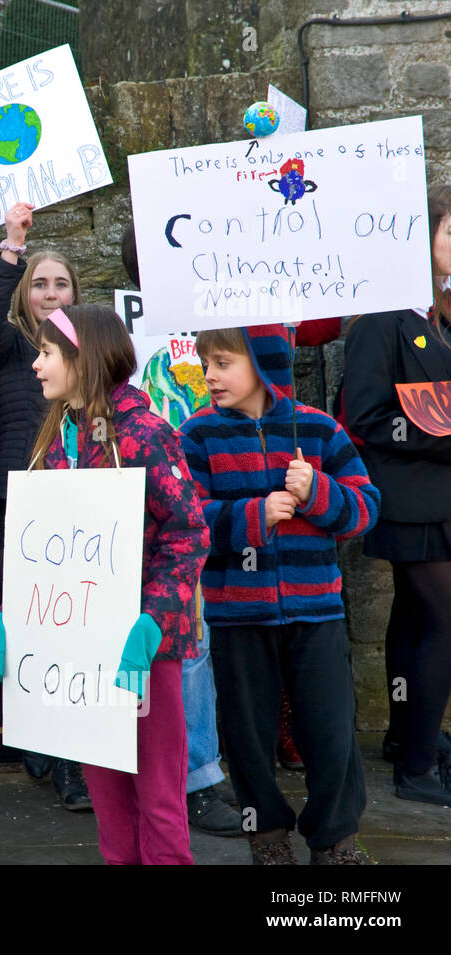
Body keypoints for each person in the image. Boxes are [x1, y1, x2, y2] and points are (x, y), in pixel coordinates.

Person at [182, 323, 379, 863]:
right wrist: (252, 515)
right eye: (207, 363)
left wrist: (318, 492)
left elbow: (365, 510)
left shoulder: (319, 431)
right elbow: (187, 522)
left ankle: (335, 839)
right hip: (237, 615)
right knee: (247, 735)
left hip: (317, 611)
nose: (210, 375)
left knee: (332, 732)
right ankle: (267, 837)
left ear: (264, 364)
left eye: (223, 362)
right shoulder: (196, 436)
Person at [29, 304, 209, 864]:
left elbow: (189, 533)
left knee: (157, 797)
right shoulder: (55, 441)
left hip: (145, 650)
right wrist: (17, 613)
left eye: (47, 352)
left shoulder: (145, 435)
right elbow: (40, 545)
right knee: (109, 805)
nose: (36, 365)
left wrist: (151, 620)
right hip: (84, 654)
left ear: (83, 358)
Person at [118, 224, 241, 836]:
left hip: (234, 491)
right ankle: (195, 778)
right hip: (164, 508)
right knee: (187, 645)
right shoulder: (128, 333)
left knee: (212, 645)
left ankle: (212, 765)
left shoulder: (230, 319)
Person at [0, 202, 92, 809]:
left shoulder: (95, 349)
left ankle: (74, 763)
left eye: (60, 283)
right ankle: (35, 730)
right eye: (39, 284)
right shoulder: (13, 347)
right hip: (23, 496)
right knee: (27, 623)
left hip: (85, 497)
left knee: (78, 627)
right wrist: (12, 247)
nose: (50, 293)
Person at [342, 185, 451, 805]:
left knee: (413, 621)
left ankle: (411, 736)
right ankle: (416, 768)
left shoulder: (438, 313)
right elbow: (367, 415)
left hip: (440, 494)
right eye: (450, 231)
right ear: (422, 236)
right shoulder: (378, 320)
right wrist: (438, 435)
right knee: (442, 624)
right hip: (411, 498)